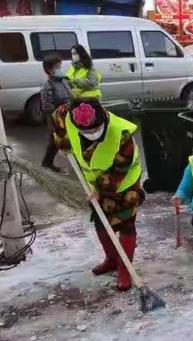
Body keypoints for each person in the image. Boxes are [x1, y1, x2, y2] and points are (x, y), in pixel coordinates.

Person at [51, 98, 144, 290]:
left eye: (95, 129)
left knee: (125, 223)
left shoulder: (122, 133)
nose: (92, 133)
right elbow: (57, 120)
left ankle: (125, 269)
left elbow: (121, 168)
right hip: (93, 183)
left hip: (124, 183)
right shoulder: (68, 115)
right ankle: (111, 260)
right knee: (101, 222)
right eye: (87, 131)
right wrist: (62, 141)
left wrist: (100, 189)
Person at [40, 54, 73, 172]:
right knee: (55, 141)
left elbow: (70, 94)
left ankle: (47, 162)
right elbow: (47, 106)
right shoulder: (47, 86)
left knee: (57, 141)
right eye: (57, 67)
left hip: (68, 116)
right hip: (56, 119)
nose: (60, 68)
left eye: (60, 65)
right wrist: (63, 108)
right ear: (49, 70)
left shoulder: (63, 80)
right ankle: (46, 163)